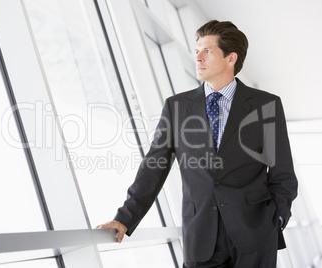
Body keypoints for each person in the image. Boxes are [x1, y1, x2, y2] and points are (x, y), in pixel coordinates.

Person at [97, 20, 298, 268]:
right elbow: (154, 165)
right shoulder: (177, 107)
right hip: (200, 236)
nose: (198, 57)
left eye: (208, 51)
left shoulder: (265, 105)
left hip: (254, 235)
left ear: (230, 58)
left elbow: (283, 173)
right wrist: (124, 218)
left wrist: (276, 219)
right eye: (196, 51)